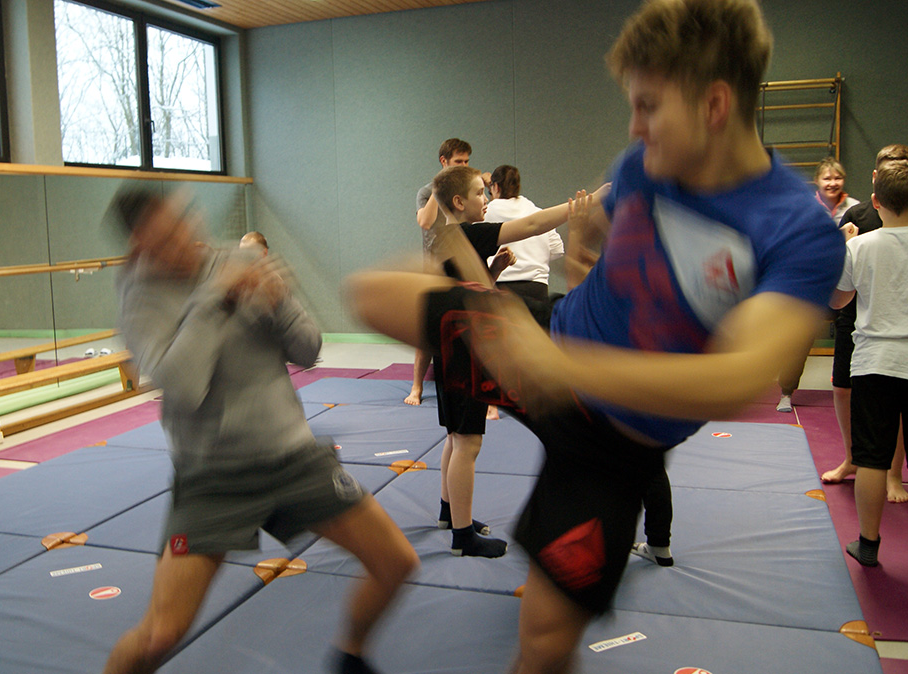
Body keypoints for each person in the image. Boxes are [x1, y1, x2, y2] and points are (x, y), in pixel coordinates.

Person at [345, 0, 844, 670]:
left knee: (544, 646)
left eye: (648, 106)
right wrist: (579, 257)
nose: (633, 127)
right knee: (372, 293)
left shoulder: (796, 231)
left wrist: (566, 370)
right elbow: (616, 247)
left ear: (715, 105)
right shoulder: (643, 166)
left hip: (611, 445)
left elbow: (738, 377)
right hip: (549, 338)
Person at [102, 188, 418, 674]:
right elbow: (183, 386)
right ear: (141, 246)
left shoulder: (243, 258)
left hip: (292, 457)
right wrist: (216, 298)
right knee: (160, 634)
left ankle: (350, 656)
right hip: (213, 476)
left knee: (396, 563)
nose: (183, 239)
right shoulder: (139, 295)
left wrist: (280, 301)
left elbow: (308, 349)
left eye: (184, 222)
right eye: (165, 237)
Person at [425, 164, 592, 558]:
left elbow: (467, 289)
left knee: (455, 437)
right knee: (468, 443)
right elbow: (532, 224)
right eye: (479, 193)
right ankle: (463, 537)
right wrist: (580, 207)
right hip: (461, 350)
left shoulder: (447, 239)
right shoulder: (467, 233)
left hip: (449, 344)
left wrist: (495, 269)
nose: (486, 199)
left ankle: (450, 513)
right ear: (459, 202)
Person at [829, 160, 908, 570]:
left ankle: (868, 544)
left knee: (871, 459)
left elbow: (837, 301)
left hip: (874, 364)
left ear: (875, 201)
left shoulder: (859, 246)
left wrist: (842, 248)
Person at [821, 144, 908, 503]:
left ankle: (893, 473)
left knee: (894, 401)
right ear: (876, 178)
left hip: (901, 321)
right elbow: (838, 273)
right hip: (856, 317)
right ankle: (852, 458)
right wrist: (841, 244)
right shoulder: (859, 216)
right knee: (842, 389)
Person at [774, 157, 857, 413]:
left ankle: (850, 390)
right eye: (827, 178)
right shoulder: (805, 207)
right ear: (817, 181)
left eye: (837, 178)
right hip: (813, 286)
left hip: (846, 286)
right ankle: (786, 392)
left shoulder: (855, 209)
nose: (832, 183)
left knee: (851, 340)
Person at [405, 138, 473, 407]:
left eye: (466, 161)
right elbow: (424, 221)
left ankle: (480, 391)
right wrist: (440, 187)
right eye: (458, 161)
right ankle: (416, 386)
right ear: (444, 162)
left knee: (471, 331)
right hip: (434, 270)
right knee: (428, 334)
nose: (463, 166)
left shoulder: (468, 191)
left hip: (463, 268)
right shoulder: (427, 191)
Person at [484, 164, 565, 325]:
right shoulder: (537, 213)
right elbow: (557, 250)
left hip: (501, 288)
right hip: (537, 289)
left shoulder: (485, 213)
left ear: (496, 187)